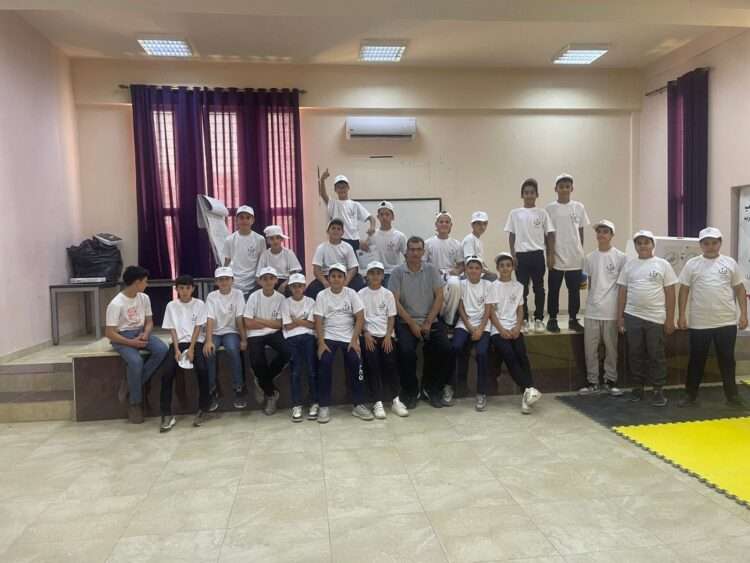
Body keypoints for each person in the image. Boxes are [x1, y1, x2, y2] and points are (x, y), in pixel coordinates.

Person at [677, 227, 748, 408]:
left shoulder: (729, 263)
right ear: (701, 245)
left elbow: (740, 289)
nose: (710, 246)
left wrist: (744, 314)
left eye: (714, 242)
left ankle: (732, 396)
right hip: (699, 323)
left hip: (726, 321)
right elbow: (684, 290)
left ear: (720, 243)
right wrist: (681, 315)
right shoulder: (692, 264)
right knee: (696, 360)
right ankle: (690, 395)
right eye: (706, 243)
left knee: (727, 360)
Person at [388, 236, 454, 409]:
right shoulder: (397, 273)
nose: (415, 253)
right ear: (406, 252)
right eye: (412, 249)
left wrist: (428, 322)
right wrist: (411, 324)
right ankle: (411, 391)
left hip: (430, 320)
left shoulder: (431, 270)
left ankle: (431, 388)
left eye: (418, 250)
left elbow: (439, 296)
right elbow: (394, 302)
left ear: (423, 252)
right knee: (406, 351)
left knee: (445, 348)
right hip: (405, 322)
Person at [617, 230, 678, 407]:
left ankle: (658, 390)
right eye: (639, 243)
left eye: (646, 242)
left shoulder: (663, 264)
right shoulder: (629, 266)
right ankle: (637, 388)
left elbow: (670, 293)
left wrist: (670, 319)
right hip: (632, 316)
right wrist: (620, 317)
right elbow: (622, 292)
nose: (643, 245)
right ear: (635, 246)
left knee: (656, 355)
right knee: (634, 354)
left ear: (653, 244)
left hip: (656, 318)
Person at [105, 265, 168, 424]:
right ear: (136, 282)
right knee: (136, 361)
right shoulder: (116, 303)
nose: (147, 284)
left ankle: (131, 384)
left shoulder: (144, 298)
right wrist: (131, 343)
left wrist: (145, 333)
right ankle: (135, 403)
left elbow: (149, 321)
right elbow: (110, 333)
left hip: (140, 332)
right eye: (145, 281)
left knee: (162, 349)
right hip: (122, 336)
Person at [314, 263, 371, 423]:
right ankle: (324, 405)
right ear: (328, 278)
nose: (336, 279)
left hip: (349, 337)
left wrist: (354, 340)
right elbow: (318, 320)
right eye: (333, 276)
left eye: (340, 276)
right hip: (329, 337)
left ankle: (358, 404)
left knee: (356, 363)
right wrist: (321, 343)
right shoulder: (322, 295)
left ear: (344, 278)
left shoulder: (351, 293)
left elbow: (360, 317)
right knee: (324, 362)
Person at [489, 253, 543, 414]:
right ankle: (529, 389)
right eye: (502, 266)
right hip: (497, 329)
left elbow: (520, 310)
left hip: (514, 328)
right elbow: (491, 312)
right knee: (509, 355)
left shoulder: (519, 286)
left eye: (508, 265)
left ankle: (528, 393)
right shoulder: (492, 287)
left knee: (521, 354)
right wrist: (501, 330)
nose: (505, 268)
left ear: (513, 267)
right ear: (497, 268)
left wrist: (517, 327)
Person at [579, 220, 627, 396]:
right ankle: (592, 382)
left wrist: (621, 314)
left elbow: (623, 287)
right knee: (590, 350)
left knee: (611, 349)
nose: (601, 234)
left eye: (605, 231)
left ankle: (610, 381)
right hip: (592, 311)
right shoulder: (588, 258)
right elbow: (586, 284)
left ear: (612, 235)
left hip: (611, 312)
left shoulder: (621, 257)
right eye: (599, 231)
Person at [160, 275, 210, 431]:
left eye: (188, 288)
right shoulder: (171, 306)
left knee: (202, 369)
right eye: (181, 288)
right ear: (176, 290)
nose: (184, 291)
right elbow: (172, 329)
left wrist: (192, 349)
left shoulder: (199, 304)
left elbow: (197, 328)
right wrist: (176, 349)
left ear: (193, 289)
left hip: (196, 342)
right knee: (167, 372)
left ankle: (203, 408)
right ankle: (166, 414)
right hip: (178, 343)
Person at [505, 179, 555, 333]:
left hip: (538, 255)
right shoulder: (514, 213)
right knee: (522, 290)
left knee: (539, 288)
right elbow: (512, 235)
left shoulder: (542, 213)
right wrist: (513, 255)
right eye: (526, 193)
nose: (529, 195)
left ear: (537, 194)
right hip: (521, 255)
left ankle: (539, 319)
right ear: (522, 195)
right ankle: (524, 319)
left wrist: (550, 255)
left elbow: (550, 234)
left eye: (532, 192)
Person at [359, 261, 408, 418]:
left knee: (391, 363)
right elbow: (359, 318)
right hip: (369, 336)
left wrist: (388, 336)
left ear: (382, 276)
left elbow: (391, 317)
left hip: (386, 335)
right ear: (367, 276)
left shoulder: (388, 294)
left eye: (378, 273)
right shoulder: (360, 294)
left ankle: (396, 400)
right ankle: (377, 402)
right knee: (372, 365)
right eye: (372, 273)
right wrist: (365, 333)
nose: (375, 276)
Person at [545, 174, 590, 333]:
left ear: (572, 188)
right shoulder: (549, 209)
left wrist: (580, 251)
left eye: (567, 186)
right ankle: (552, 319)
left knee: (574, 291)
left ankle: (573, 319)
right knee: (553, 290)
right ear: (555, 189)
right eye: (561, 186)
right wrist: (549, 255)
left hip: (575, 258)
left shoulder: (579, 207)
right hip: (556, 257)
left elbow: (581, 231)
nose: (564, 189)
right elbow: (547, 234)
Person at [244, 266, 290, 415]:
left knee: (288, 352)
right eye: (265, 279)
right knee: (257, 361)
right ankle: (270, 394)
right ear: (260, 281)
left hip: (274, 333)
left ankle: (261, 380)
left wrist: (259, 320)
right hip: (254, 334)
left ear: (276, 280)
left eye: (271, 278)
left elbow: (280, 324)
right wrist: (269, 322)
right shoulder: (254, 297)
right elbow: (248, 322)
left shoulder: (281, 298)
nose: (268, 281)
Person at [452, 256, 496, 411]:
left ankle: (481, 393)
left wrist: (480, 329)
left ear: (481, 270)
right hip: (465, 324)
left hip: (483, 325)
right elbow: (460, 307)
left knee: (482, 353)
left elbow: (488, 309)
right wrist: (471, 328)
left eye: (477, 268)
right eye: (470, 267)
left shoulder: (488, 285)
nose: (473, 270)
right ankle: (451, 386)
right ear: (466, 269)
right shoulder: (461, 284)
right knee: (456, 347)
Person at [204, 266, 248, 410]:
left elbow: (239, 318)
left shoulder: (238, 294)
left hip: (231, 331)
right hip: (215, 332)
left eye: (227, 279)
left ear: (232, 280)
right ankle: (212, 391)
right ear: (216, 282)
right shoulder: (212, 296)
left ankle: (238, 389)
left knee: (233, 350)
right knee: (209, 352)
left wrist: (243, 339)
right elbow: (209, 319)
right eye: (221, 279)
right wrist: (208, 341)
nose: (224, 282)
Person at [282, 273, 320, 422]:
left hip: (308, 337)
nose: (297, 289)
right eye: (294, 286)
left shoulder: (311, 301)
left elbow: (312, 325)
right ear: (290, 288)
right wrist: (302, 321)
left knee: (312, 370)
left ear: (304, 287)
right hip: (291, 339)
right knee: (295, 371)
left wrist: (296, 321)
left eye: (299, 286)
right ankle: (296, 405)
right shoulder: (285, 303)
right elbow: (287, 325)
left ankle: (314, 402)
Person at [318, 169, 375, 251]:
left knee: (354, 259)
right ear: (335, 189)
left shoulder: (355, 205)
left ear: (348, 188)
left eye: (344, 187)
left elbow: (371, 218)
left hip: (354, 240)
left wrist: (372, 228)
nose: (342, 189)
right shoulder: (333, 203)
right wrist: (322, 179)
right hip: (339, 240)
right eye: (339, 187)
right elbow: (323, 194)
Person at [307, 218, 365, 298]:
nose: (336, 231)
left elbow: (353, 268)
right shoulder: (321, 248)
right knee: (311, 289)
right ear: (328, 231)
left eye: (338, 229)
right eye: (333, 228)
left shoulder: (348, 247)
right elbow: (316, 269)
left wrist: (345, 282)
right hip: (327, 276)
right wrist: (325, 282)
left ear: (342, 232)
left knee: (360, 284)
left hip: (344, 276)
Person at [424, 211, 464, 325]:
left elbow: (461, 265)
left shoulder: (456, 244)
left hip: (450, 274)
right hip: (432, 275)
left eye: (447, 222)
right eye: (441, 222)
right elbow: (423, 263)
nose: (444, 224)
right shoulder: (428, 243)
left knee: (455, 285)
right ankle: (437, 317)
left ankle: (449, 320)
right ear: (436, 225)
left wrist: (456, 271)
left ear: (451, 225)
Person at [222, 205, 266, 298]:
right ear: (237, 220)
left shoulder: (260, 239)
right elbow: (227, 261)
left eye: (248, 218)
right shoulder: (229, 239)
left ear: (253, 220)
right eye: (241, 218)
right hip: (234, 284)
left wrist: (259, 279)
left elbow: (262, 261)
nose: (244, 220)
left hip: (253, 284)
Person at [365, 200, 406, 287]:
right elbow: (364, 254)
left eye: (387, 214)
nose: (384, 217)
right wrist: (365, 240)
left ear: (393, 217)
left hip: (392, 273)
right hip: (375, 273)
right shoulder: (372, 235)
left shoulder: (399, 236)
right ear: (378, 217)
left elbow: (407, 256)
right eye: (381, 214)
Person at [257, 225, 302, 295]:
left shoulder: (288, 253)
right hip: (269, 280)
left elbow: (294, 273)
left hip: (285, 282)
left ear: (281, 239)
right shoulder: (265, 254)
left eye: (277, 238)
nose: (275, 241)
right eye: (272, 238)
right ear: (268, 241)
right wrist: (267, 286)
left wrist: (284, 285)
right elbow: (258, 275)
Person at [462, 211, 495, 279]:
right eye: (479, 224)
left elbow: (481, 261)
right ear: (472, 225)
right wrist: (489, 272)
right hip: (470, 275)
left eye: (484, 224)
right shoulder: (469, 239)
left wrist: (488, 270)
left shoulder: (478, 240)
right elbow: (470, 262)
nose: (482, 227)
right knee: (493, 277)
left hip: (477, 273)